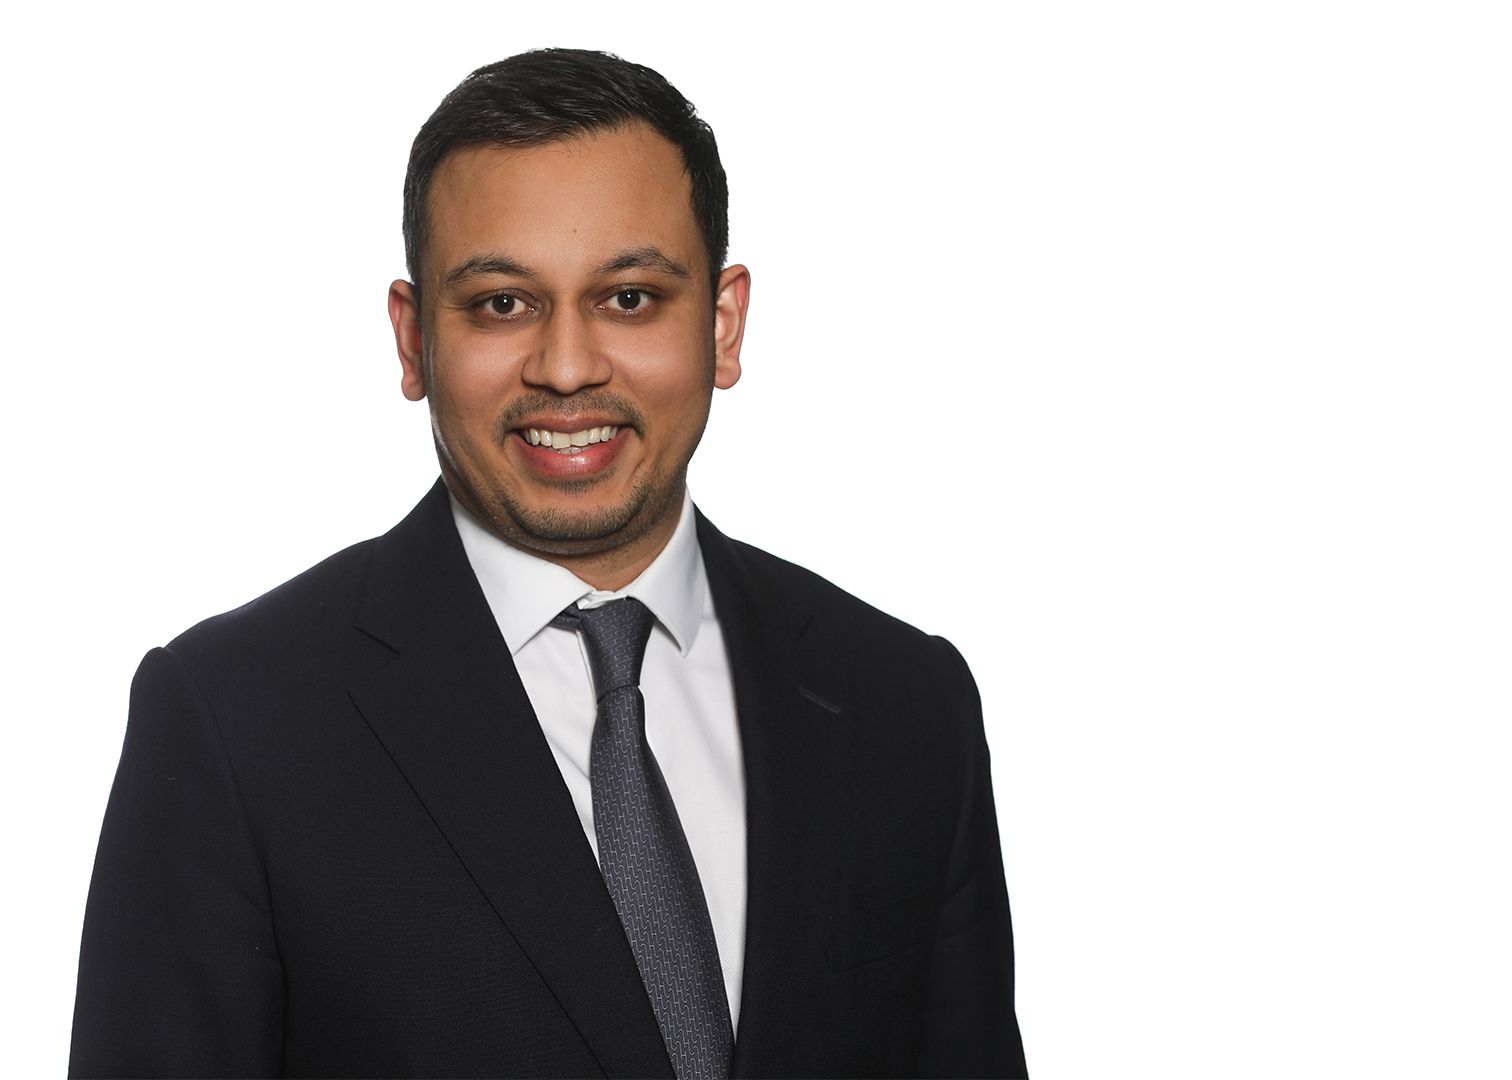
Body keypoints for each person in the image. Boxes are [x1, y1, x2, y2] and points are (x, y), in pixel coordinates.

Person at [70, 47, 1026, 1079]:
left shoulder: (904, 704)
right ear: (412, 340)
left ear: (723, 322)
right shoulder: (234, 724)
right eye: (501, 305)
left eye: (628, 298)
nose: (566, 369)